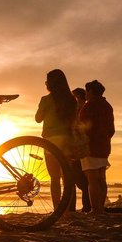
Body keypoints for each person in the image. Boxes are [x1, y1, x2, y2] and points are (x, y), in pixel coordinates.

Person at [35, 69, 77, 209]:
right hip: (67, 140)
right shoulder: (71, 100)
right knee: (67, 177)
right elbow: (74, 121)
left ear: (50, 84)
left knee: (54, 178)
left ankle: (57, 210)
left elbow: (38, 119)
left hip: (51, 141)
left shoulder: (46, 100)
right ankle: (69, 209)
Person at [79, 80, 115, 215]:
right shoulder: (107, 106)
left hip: (90, 146)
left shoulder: (89, 106)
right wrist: (105, 138)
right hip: (104, 145)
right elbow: (111, 129)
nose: (85, 94)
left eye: (86, 91)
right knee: (101, 178)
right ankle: (100, 208)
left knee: (92, 179)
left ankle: (96, 209)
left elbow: (82, 126)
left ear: (91, 91)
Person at [69, 87, 91, 212]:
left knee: (84, 182)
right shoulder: (73, 112)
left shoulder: (85, 111)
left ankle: (87, 207)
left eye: (76, 98)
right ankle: (72, 207)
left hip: (83, 150)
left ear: (82, 99)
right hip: (73, 150)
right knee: (71, 180)